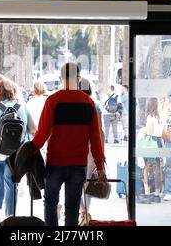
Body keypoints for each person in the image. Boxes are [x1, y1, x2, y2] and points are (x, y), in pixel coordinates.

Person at [32, 63, 106, 226]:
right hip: (78, 165)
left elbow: (42, 134)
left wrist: (29, 152)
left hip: (55, 163)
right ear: (78, 79)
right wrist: (100, 167)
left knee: (51, 203)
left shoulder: (53, 101)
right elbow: (95, 139)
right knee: (72, 208)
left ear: (60, 78)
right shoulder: (88, 103)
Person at [0, 76, 37, 226]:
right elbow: (33, 129)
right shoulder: (22, 107)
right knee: (12, 184)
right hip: (17, 155)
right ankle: (10, 214)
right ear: (13, 90)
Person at [78, 78, 105, 225]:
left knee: (77, 180)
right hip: (91, 147)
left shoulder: (74, 105)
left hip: (77, 145)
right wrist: (101, 153)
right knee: (88, 180)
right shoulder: (95, 105)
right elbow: (99, 130)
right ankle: (85, 212)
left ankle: (82, 212)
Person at [140, 98, 163, 204]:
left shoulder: (150, 117)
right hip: (159, 142)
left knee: (146, 169)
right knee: (157, 169)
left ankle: (147, 194)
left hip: (151, 142)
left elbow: (149, 132)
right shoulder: (159, 117)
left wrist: (143, 130)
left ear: (149, 105)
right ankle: (157, 195)